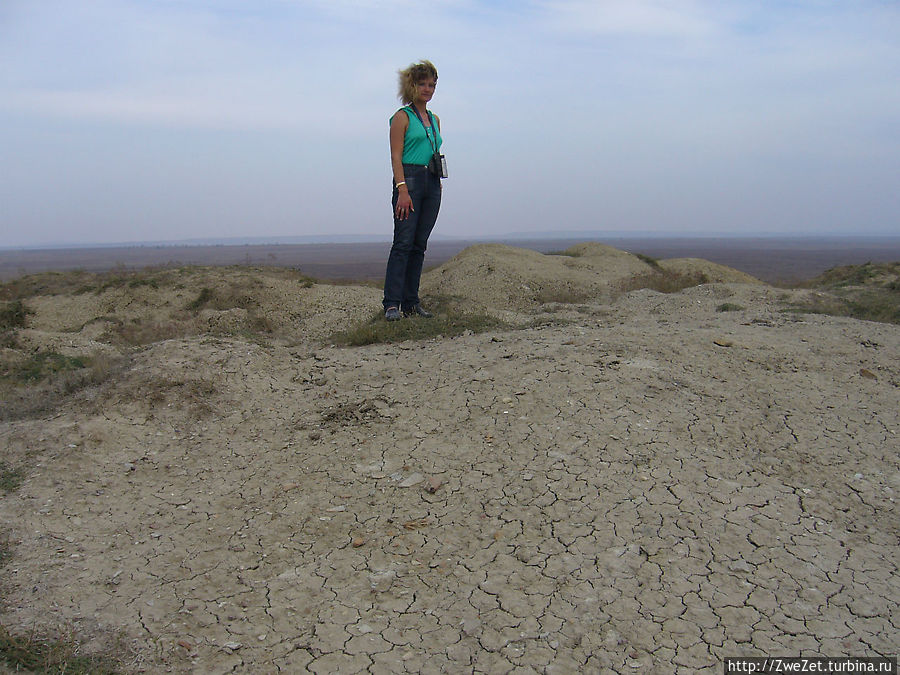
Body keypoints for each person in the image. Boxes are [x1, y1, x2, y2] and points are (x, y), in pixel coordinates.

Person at [382, 60, 443, 321]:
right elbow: (396, 157)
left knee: (419, 245)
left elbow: (434, 150)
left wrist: (437, 179)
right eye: (422, 84)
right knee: (403, 243)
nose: (427, 89)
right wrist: (402, 188)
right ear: (412, 85)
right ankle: (392, 304)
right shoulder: (401, 117)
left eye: (431, 84)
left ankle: (411, 302)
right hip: (409, 180)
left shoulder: (435, 119)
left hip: (431, 181)